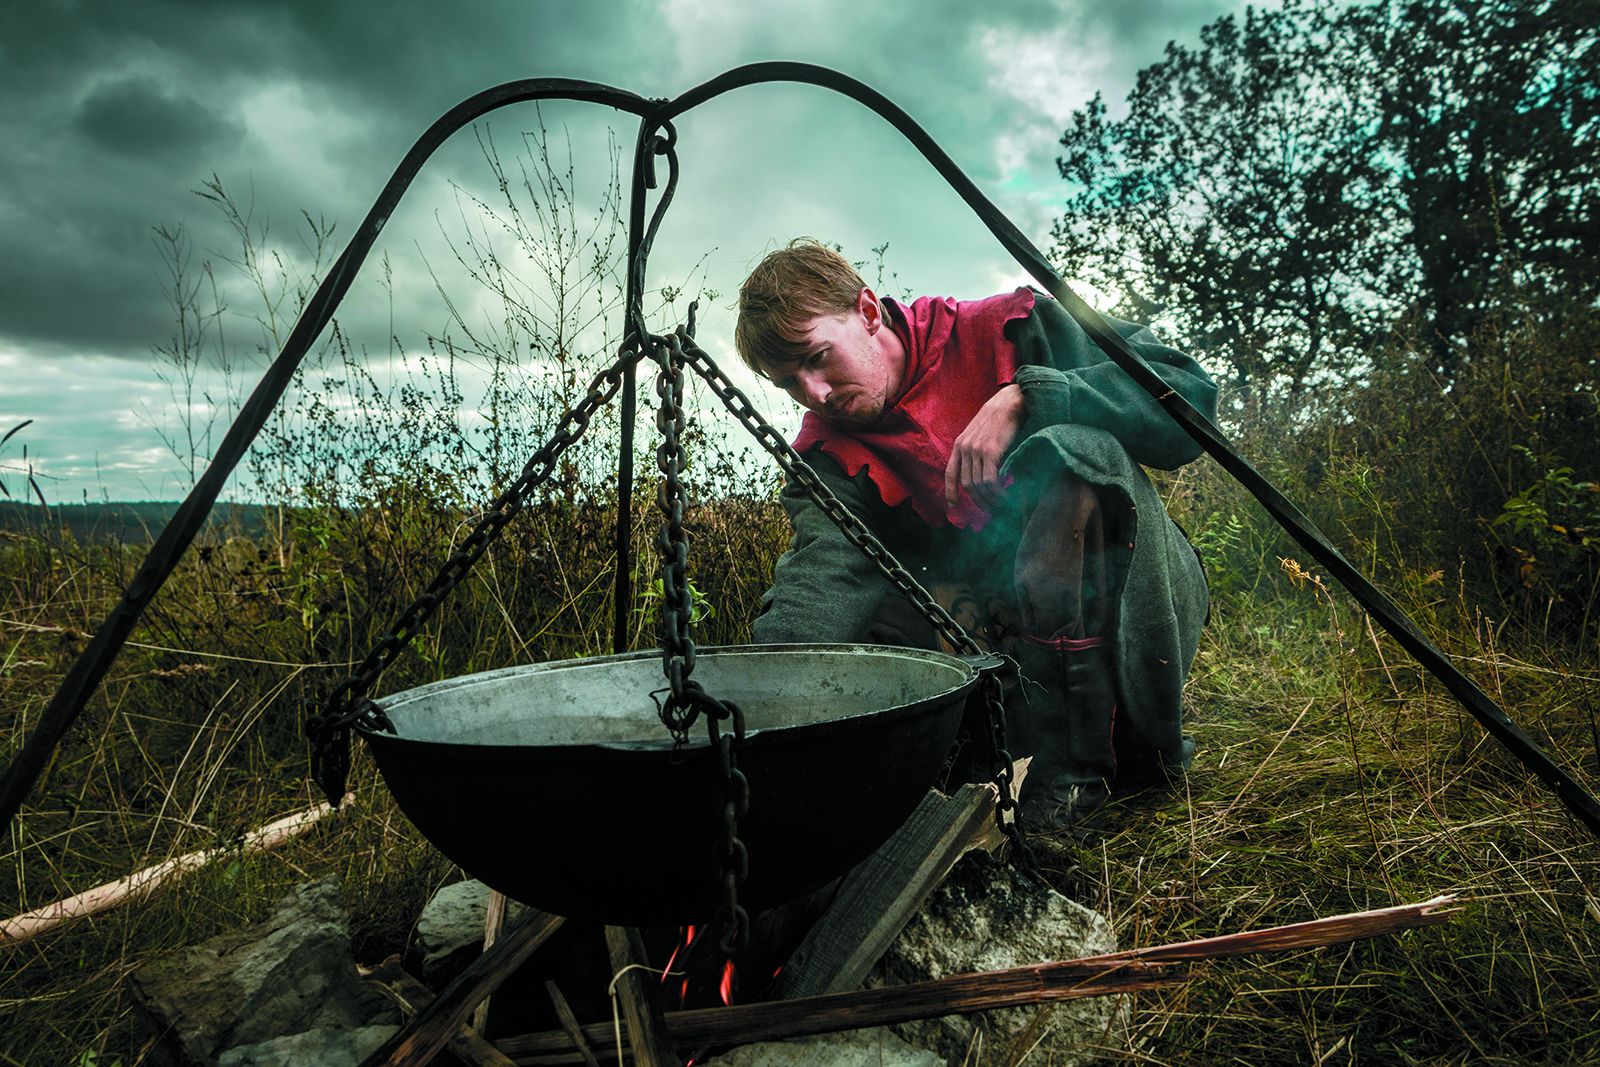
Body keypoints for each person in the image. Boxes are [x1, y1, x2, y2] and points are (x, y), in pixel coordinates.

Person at [736, 239, 1217, 831]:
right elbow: (821, 586)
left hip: (1133, 614)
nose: (814, 393)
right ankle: (968, 766)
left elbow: (1190, 401)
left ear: (866, 312)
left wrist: (1030, 396)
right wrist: (748, 712)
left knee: (1074, 455)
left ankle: (1080, 771)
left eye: (816, 358)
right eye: (788, 383)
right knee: (879, 612)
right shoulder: (830, 457)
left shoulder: (1016, 328)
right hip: (1006, 658)